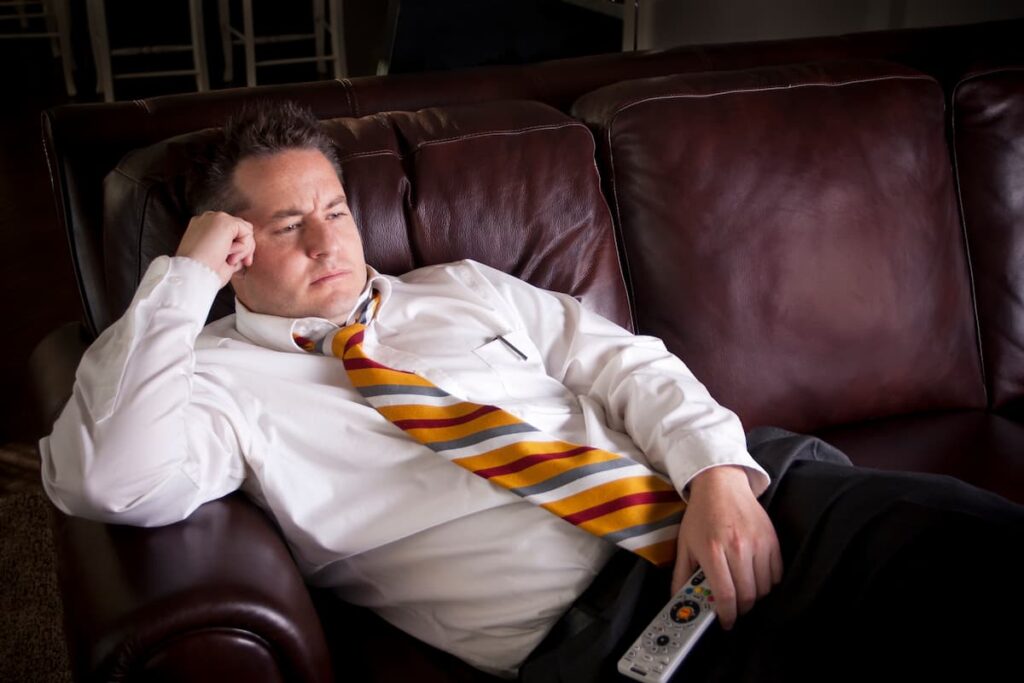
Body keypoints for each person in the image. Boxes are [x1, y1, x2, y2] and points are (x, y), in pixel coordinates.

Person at [40, 102, 1024, 682]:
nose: (327, 240)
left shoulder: (455, 286)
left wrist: (720, 469)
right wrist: (182, 282)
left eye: (334, 208)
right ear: (234, 243)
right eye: (288, 222)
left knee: (961, 543)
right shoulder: (212, 382)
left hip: (734, 500)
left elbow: (624, 364)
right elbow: (110, 483)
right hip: (601, 634)